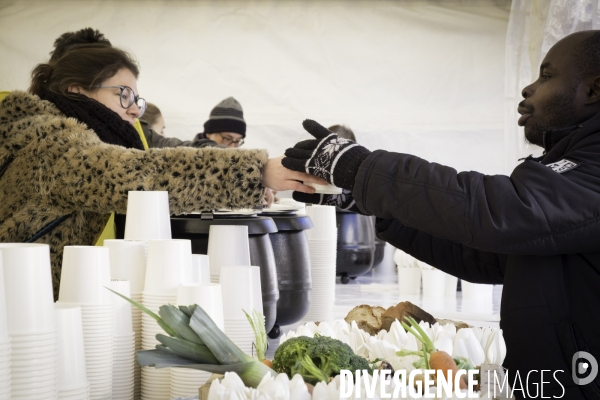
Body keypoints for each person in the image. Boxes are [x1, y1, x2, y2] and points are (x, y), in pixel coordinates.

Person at [283, 30, 600, 398]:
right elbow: (488, 255)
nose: (528, 89)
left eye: (546, 76)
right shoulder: (570, 170)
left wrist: (364, 170)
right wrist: (367, 203)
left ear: (594, 90)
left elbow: (496, 209)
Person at [0, 43, 323, 299]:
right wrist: (256, 170)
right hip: (21, 310)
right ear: (77, 90)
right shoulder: (51, 144)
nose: (132, 109)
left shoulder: (43, 133)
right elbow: (134, 174)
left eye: (136, 100)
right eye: (122, 93)